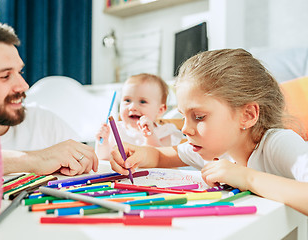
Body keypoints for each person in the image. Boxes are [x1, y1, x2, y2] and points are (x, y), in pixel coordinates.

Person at [109, 49, 308, 216]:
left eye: (199, 117)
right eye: (183, 116)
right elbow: (161, 156)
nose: (185, 129)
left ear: (247, 115)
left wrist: (248, 178)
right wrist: (138, 154)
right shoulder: (212, 148)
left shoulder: (279, 143)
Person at [0, 21, 98, 176]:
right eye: (5, 76)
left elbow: (91, 162)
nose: (24, 86)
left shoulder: (43, 121)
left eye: (20, 72)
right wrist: (35, 160)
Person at [95, 73, 183, 161]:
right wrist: (103, 142)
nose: (132, 107)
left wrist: (150, 136)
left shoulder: (164, 132)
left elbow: (160, 160)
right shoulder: (114, 130)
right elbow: (103, 159)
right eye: (127, 100)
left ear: (160, 110)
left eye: (142, 102)